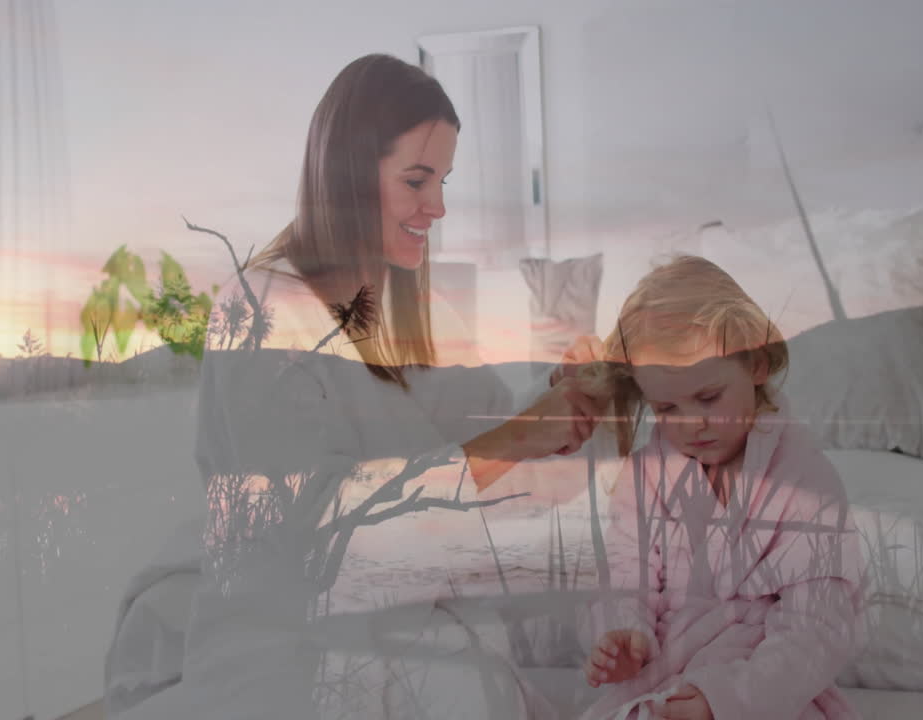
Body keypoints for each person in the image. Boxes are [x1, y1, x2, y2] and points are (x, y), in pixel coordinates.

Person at [115, 54, 597, 720]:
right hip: (296, 640)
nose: (439, 206)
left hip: (417, 613)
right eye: (417, 180)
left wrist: (564, 401)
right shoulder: (259, 311)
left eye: (444, 180)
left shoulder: (411, 306)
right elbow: (312, 533)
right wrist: (516, 440)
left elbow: (485, 423)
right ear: (346, 175)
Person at [569, 255, 867, 720]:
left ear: (757, 364)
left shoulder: (806, 482)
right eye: (667, 408)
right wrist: (625, 636)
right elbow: (627, 578)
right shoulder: (646, 476)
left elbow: (816, 626)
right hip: (663, 677)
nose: (693, 424)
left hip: (762, 689)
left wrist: (725, 700)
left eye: (708, 398)